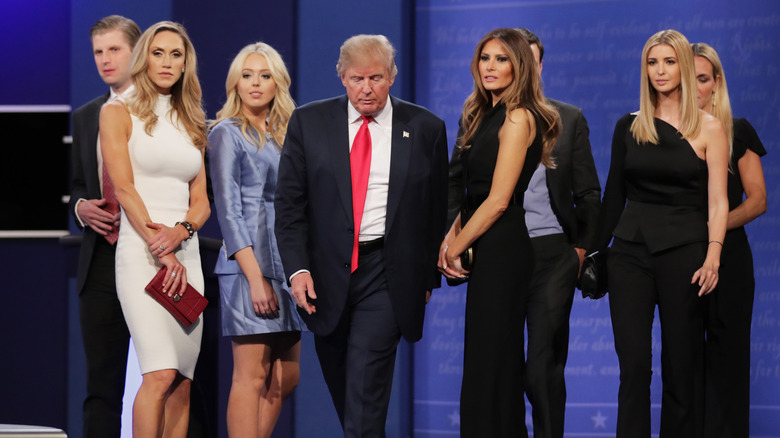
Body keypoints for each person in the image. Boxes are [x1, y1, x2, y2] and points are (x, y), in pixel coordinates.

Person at [274, 34, 448, 437]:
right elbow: (289, 206)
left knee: (366, 390)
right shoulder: (309, 121)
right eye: (356, 79)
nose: (366, 88)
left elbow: (437, 209)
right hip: (325, 276)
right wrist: (297, 270)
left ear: (392, 77)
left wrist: (426, 276)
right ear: (341, 77)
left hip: (387, 273)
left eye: (376, 78)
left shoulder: (425, 128)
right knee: (349, 397)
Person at [445, 27, 601, 437]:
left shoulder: (519, 116)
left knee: (514, 366)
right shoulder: (479, 113)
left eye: (502, 59)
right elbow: (466, 190)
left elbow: (498, 200)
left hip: (515, 245)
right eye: (484, 58)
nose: (491, 67)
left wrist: (454, 249)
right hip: (490, 245)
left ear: (523, 66)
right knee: (488, 361)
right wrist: (450, 238)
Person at [593, 30, 729, 437]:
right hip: (630, 255)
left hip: (685, 254)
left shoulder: (709, 128)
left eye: (669, 62)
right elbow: (612, 197)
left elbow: (718, 202)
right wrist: (591, 254)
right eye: (653, 62)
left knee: (680, 364)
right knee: (633, 365)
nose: (660, 71)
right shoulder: (628, 126)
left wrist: (713, 255)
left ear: (684, 67)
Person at [100, 21, 210, 437]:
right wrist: (159, 245)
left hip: (186, 255)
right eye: (158, 52)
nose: (166, 62)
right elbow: (124, 188)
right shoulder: (117, 111)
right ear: (144, 56)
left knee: (181, 380)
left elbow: (201, 201)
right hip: (142, 253)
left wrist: (180, 233)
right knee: (159, 373)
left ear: (186, 64)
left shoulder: (192, 117)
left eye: (176, 54)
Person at [209, 42, 305, 438]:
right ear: (235, 82)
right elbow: (228, 212)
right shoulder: (225, 133)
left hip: (287, 264)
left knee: (286, 376)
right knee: (251, 375)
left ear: (277, 82)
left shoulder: (289, 131)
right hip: (247, 265)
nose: (255, 83)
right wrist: (254, 278)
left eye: (264, 75)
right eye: (247, 75)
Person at [69, 15, 141, 437]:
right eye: (98, 51)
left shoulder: (162, 111)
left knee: (173, 378)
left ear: (137, 52)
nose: (105, 60)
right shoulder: (85, 117)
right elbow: (79, 186)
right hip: (100, 261)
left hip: (155, 256)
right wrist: (81, 209)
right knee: (101, 386)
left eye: (114, 49)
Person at [692, 42, 768, 438]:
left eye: (702, 78)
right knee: (685, 359)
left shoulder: (738, 131)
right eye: (688, 78)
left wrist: (714, 230)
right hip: (682, 260)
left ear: (716, 83)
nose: (694, 86)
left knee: (728, 359)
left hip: (731, 260)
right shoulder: (665, 136)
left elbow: (757, 200)